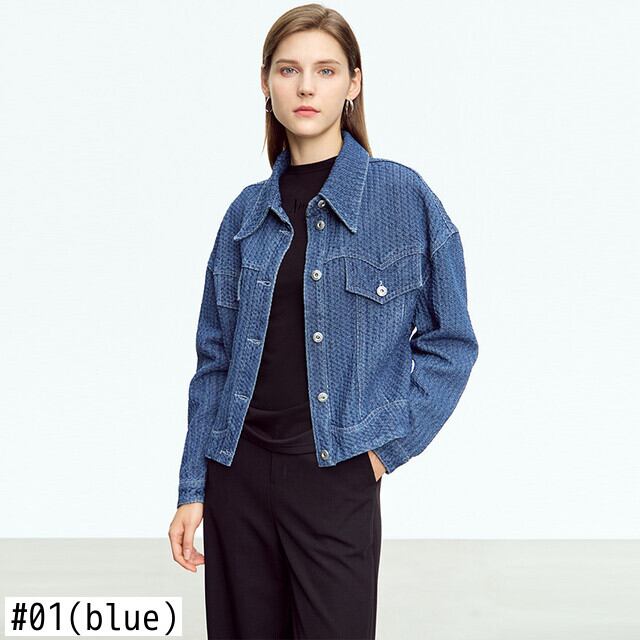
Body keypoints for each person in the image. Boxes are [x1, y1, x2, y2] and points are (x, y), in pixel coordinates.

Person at [168, 4, 479, 638]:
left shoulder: (402, 197)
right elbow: (215, 362)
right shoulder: (244, 215)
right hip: (237, 475)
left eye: (326, 70)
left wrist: (385, 449)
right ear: (266, 84)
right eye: (288, 70)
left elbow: (452, 342)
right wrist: (193, 486)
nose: (306, 86)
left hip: (336, 473)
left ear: (353, 83)